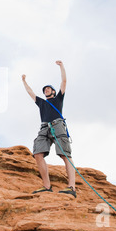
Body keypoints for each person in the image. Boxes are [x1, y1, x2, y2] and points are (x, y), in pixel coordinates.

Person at [21, 60, 76, 198]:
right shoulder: (41, 103)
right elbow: (30, 92)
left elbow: (64, 81)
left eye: (48, 88)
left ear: (53, 91)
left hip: (57, 124)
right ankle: (46, 186)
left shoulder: (58, 99)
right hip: (44, 127)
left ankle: (72, 187)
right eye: (44, 89)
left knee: (65, 154)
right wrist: (24, 81)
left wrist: (62, 66)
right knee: (38, 154)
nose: (46, 90)